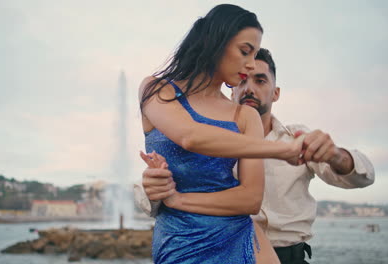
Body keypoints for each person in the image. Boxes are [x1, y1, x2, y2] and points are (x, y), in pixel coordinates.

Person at [135, 48, 375, 264]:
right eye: (241, 80)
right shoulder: (205, 142)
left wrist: (335, 155)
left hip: (289, 256)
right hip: (218, 253)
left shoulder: (297, 138)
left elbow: (364, 178)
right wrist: (153, 188)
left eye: (260, 80)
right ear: (230, 90)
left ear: (276, 92)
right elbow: (150, 199)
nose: (249, 88)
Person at [138, 4, 305, 263]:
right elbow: (190, 136)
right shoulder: (157, 89)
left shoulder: (244, 115)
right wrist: (285, 150)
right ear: (214, 41)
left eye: (255, 55)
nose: (250, 65)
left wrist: (177, 199)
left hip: (241, 238)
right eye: (245, 52)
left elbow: (250, 199)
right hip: (179, 245)